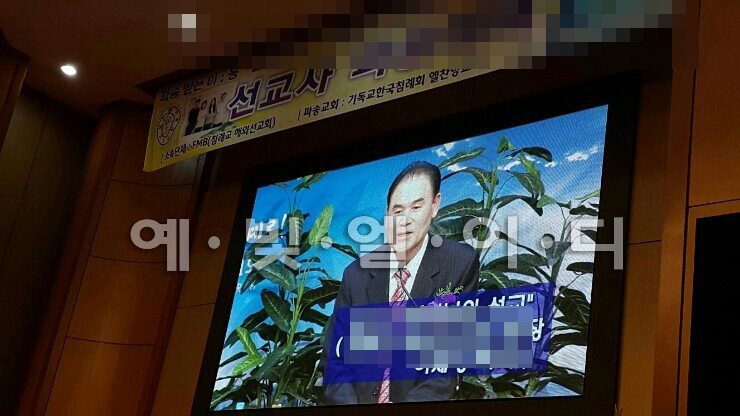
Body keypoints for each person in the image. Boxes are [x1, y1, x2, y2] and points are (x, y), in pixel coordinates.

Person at [322, 161, 480, 405]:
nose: (405, 220)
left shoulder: (459, 263)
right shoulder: (356, 275)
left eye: (416, 207)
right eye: (397, 211)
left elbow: (447, 368)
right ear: (387, 215)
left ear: (434, 205)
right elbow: (334, 363)